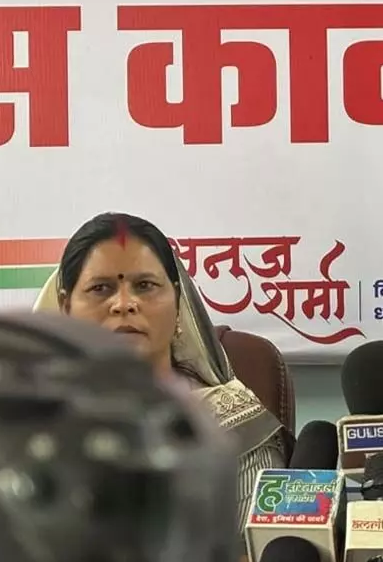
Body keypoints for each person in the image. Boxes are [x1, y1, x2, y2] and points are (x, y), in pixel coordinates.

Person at [33, 213, 289, 529]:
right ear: (65, 306)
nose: (124, 304)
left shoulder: (231, 424)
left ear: (177, 302)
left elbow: (258, 555)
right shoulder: (31, 428)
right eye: (101, 288)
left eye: (144, 286)